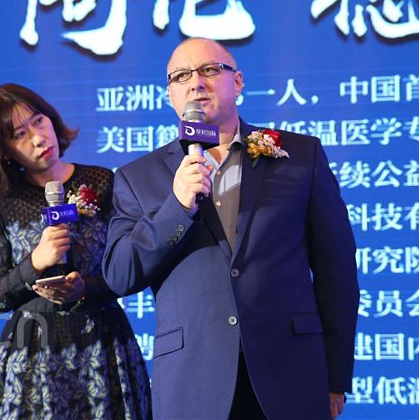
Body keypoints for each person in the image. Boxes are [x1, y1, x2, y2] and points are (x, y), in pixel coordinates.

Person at [102, 38, 359, 419]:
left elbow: (337, 273)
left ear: (237, 82)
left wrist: (335, 376)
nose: (195, 83)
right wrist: (177, 207)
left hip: (291, 375)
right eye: (181, 76)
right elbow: (119, 274)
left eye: (209, 70)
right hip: (194, 384)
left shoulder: (300, 156)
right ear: (170, 95)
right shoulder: (138, 177)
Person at [0, 83, 151, 419]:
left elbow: (129, 268)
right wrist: (34, 263)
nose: (38, 138)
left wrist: (85, 288)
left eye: (39, 121)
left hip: (104, 345)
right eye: (20, 134)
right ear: (4, 151)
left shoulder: (101, 181)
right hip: (32, 354)